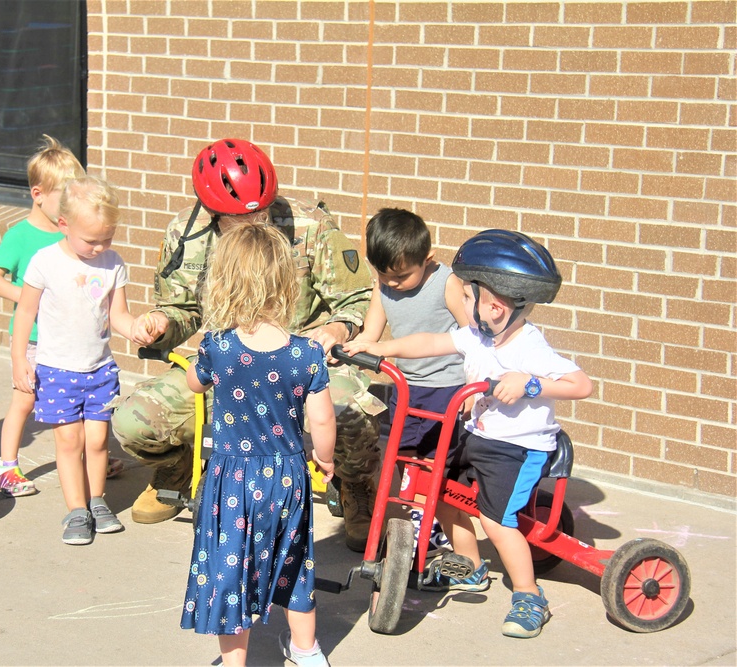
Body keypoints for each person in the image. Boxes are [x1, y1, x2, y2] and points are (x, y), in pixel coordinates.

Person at [112, 138, 384, 553]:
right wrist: (161, 323)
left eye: (262, 209)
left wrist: (338, 330)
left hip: (300, 361)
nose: (257, 219)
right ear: (212, 211)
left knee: (349, 416)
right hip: (226, 364)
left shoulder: (310, 226)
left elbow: (357, 300)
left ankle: (355, 485)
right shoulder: (187, 235)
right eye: (241, 216)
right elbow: (181, 308)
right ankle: (176, 469)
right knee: (135, 422)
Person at [343, 229, 593, 639]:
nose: (460, 301)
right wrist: (379, 348)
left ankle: (530, 596)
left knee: (497, 521)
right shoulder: (477, 336)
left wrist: (530, 383)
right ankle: (470, 567)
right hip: (479, 434)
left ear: (494, 306)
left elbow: (581, 385)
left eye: (467, 296)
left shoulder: (531, 348)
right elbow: (430, 341)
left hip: (518, 447)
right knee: (437, 485)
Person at [181, 223, 335, 667]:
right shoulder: (306, 354)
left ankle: (235, 663)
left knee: (231, 567)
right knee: (294, 560)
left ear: (224, 282)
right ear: (286, 283)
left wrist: (202, 364)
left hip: (232, 479)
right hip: (287, 475)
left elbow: (194, 382)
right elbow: (322, 418)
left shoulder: (219, 348)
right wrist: (324, 459)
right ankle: (307, 652)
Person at [11, 175, 155, 545]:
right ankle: (76, 510)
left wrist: (136, 327)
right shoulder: (45, 262)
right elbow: (25, 313)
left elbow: (118, 315)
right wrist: (19, 360)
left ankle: (97, 501)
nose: (99, 247)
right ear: (64, 225)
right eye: (91, 240)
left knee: (97, 441)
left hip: (100, 369)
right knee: (69, 442)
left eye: (107, 238)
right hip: (57, 369)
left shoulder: (113, 263)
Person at [0, 135, 123, 497]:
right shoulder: (21, 236)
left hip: (70, 341)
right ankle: (7, 464)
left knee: (83, 410)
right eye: (63, 195)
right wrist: (33, 297)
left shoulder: (78, 238)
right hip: (33, 337)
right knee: (25, 398)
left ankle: (92, 460)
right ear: (38, 194)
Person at [353, 208, 468, 557]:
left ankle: (435, 527)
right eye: (383, 275)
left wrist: (474, 389)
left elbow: (475, 337)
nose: (391, 284)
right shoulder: (383, 287)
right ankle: (409, 527)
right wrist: (353, 348)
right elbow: (371, 334)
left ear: (427, 259)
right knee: (400, 460)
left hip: (446, 389)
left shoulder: (446, 283)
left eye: (401, 276)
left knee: (435, 465)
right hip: (405, 388)